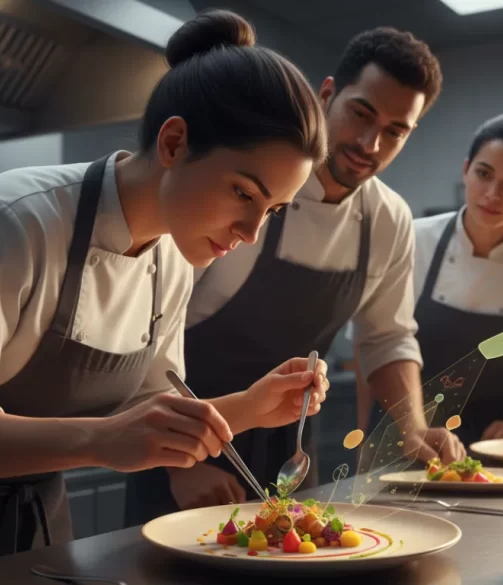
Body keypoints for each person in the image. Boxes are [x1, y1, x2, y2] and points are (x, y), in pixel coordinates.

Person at [0, 10, 332, 585]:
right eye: (242, 193)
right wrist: (101, 441)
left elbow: (153, 411)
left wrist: (253, 405)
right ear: (175, 142)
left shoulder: (175, 255)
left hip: (28, 527)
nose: (251, 231)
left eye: (271, 210)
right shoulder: (11, 220)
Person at [125, 26, 462, 523]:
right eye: (361, 114)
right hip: (178, 444)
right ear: (327, 95)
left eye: (395, 131)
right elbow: (151, 332)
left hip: (292, 453)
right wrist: (181, 463)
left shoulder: (388, 219)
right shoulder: (243, 191)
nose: (370, 142)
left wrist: (412, 427)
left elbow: (388, 338)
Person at [368, 113, 503, 447]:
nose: (493, 193)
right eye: (484, 174)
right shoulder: (411, 240)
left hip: (488, 442)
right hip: (399, 434)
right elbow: (376, 340)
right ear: (466, 170)